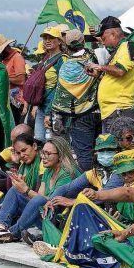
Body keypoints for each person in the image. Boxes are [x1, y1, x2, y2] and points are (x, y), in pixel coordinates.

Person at [0, 136, 80, 244]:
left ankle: (11, 233)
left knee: (36, 200)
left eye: (48, 154)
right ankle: (0, 227)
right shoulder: (49, 171)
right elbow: (40, 197)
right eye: (43, 153)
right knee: (15, 190)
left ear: (61, 155)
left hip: (58, 222)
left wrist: (26, 190)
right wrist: (22, 187)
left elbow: (52, 202)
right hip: (45, 216)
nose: (43, 157)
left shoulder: (67, 172)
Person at [47, 30, 100, 170]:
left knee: (84, 155)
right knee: (101, 151)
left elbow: (61, 97)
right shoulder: (95, 58)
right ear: (83, 41)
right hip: (99, 111)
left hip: (79, 118)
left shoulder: (66, 66)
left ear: (66, 45)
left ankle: (87, 186)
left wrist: (55, 118)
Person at [87, 16, 134, 134]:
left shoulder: (126, 47)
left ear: (113, 34)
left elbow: (120, 71)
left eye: (104, 38)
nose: (103, 41)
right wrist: (97, 74)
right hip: (113, 110)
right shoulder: (118, 50)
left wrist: (100, 67)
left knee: (119, 149)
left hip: (120, 109)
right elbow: (114, 75)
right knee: (111, 149)